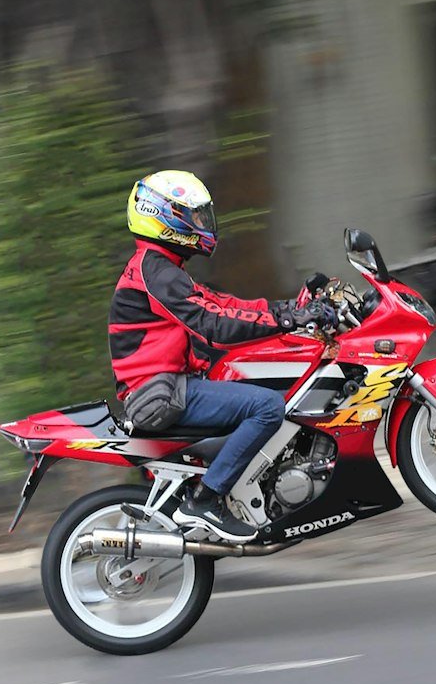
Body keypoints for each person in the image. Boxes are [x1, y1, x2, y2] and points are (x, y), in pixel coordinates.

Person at [109, 169, 335, 543]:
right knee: (266, 407)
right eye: (194, 217)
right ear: (166, 218)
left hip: (171, 386)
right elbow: (215, 324)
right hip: (160, 392)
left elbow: (223, 305)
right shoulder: (157, 272)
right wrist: (289, 319)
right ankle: (206, 499)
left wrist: (291, 308)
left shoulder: (162, 268)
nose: (202, 224)